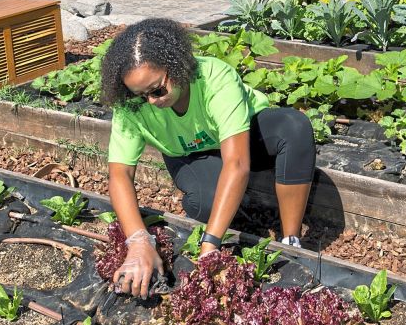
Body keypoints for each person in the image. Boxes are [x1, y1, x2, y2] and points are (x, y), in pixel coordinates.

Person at [100, 18, 315, 298]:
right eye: (141, 96)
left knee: (293, 127)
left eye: (157, 90)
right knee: (204, 204)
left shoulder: (213, 76)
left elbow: (237, 163)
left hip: (245, 138)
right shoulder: (130, 107)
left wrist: (210, 244)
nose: (151, 101)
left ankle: (291, 240)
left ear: (176, 66)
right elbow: (120, 174)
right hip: (189, 154)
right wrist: (139, 241)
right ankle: (237, 203)